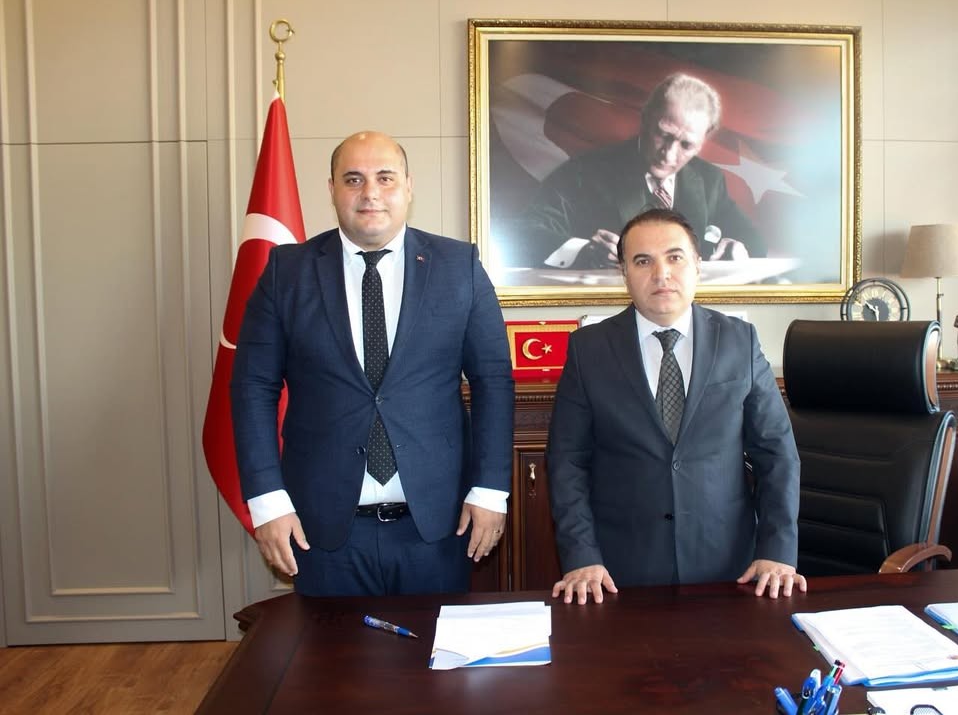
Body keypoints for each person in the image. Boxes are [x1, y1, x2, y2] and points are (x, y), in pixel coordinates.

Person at [231, 131, 515, 597]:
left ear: (408, 186)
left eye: (385, 178)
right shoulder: (287, 271)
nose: (370, 193)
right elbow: (252, 387)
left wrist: (489, 490)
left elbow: (493, 383)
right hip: (321, 529)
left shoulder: (458, 265)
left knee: (435, 646)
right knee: (326, 648)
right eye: (353, 179)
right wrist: (267, 501)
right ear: (332, 189)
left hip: (438, 526)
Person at [546, 208, 804, 604]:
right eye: (642, 261)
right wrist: (581, 556)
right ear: (624, 272)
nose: (661, 273)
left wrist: (777, 551)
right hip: (617, 572)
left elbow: (777, 453)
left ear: (697, 265)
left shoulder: (740, 341)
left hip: (730, 568)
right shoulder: (588, 349)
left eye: (674, 257)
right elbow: (567, 462)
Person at [511, 72, 764, 269]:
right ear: (645, 119)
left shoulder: (709, 179)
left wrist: (739, 248)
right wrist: (584, 250)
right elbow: (524, 232)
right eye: (663, 135)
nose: (669, 154)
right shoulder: (583, 172)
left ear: (703, 141)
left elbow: (754, 241)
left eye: (686, 145)